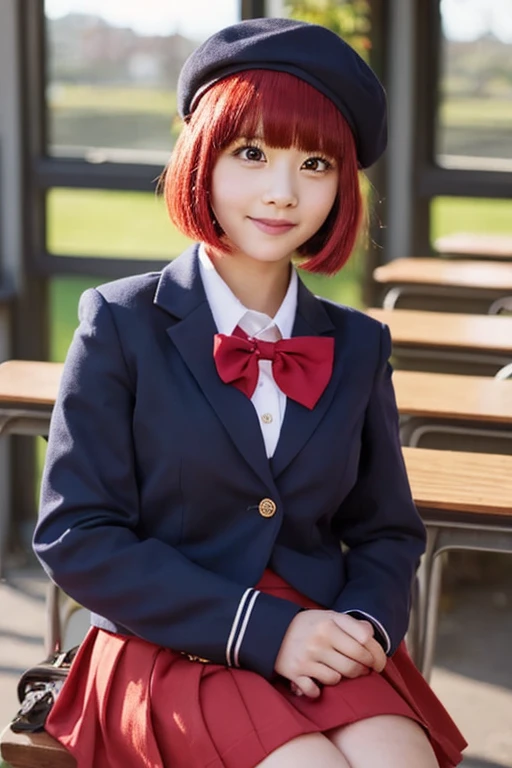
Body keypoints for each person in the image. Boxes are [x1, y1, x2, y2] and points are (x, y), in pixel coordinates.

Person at [33, 17, 466, 768]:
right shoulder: (119, 322)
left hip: (323, 630)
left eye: (316, 164)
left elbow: (386, 530)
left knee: (402, 760)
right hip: (166, 636)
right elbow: (77, 534)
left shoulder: (359, 344)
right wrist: (263, 629)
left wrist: (362, 622)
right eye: (253, 153)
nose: (282, 192)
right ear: (203, 158)